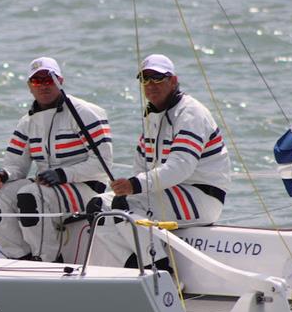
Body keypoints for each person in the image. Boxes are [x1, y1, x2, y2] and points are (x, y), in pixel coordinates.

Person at [89, 54, 231, 271]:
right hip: (166, 191)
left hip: (201, 196)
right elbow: (141, 164)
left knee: (123, 205)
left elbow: (181, 166)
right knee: (97, 207)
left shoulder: (190, 113)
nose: (150, 85)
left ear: (173, 81)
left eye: (157, 78)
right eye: (145, 79)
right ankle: (133, 268)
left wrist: (134, 186)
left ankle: (162, 270)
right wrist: (132, 186)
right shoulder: (153, 115)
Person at [0, 57, 113, 262]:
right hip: (47, 189)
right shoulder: (27, 122)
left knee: (30, 194)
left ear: (60, 80)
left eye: (49, 79)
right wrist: (4, 174)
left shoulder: (85, 113)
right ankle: (21, 258)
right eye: (37, 81)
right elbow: (16, 165)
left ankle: (48, 260)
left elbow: (102, 164)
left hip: (87, 189)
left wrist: (62, 175)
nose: (43, 85)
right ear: (29, 87)